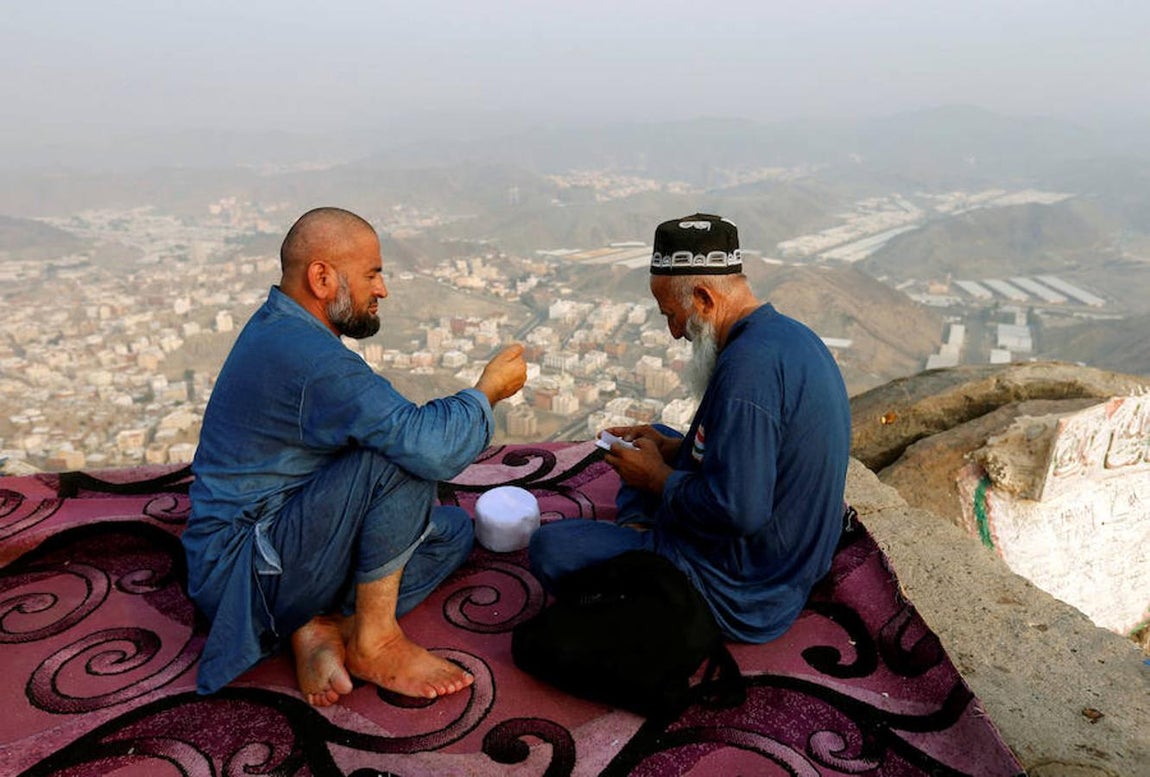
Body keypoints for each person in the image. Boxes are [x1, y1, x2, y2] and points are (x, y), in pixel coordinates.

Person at [184, 206, 527, 707]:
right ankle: (374, 641)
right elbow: (428, 447)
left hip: (282, 541)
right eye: (372, 274)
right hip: (246, 568)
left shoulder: (282, 329)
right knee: (399, 455)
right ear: (322, 277)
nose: (382, 289)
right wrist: (485, 394)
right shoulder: (311, 358)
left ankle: (315, 626)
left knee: (449, 533)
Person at [529, 213, 851, 646]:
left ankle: (648, 556)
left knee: (552, 548)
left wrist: (657, 479)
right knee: (653, 438)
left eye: (672, 315)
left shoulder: (746, 373)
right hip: (786, 553)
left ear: (703, 298)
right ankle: (641, 536)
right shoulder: (786, 336)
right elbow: (756, 453)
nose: (675, 332)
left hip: (746, 589)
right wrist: (671, 449)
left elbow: (740, 511)